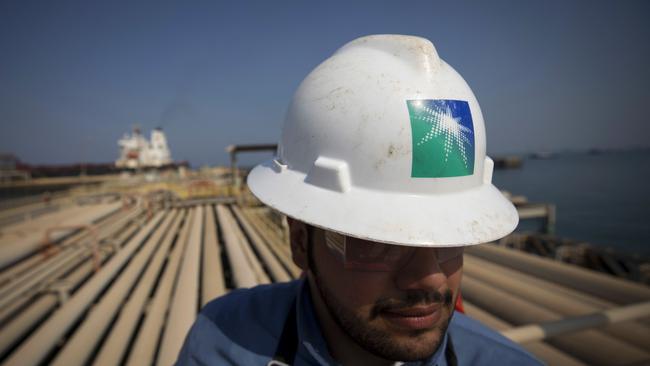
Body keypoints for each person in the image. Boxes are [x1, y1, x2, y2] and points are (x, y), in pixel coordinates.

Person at [177, 34, 543, 365]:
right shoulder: (221, 345)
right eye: (380, 243)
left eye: (450, 239)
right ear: (301, 240)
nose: (430, 279)